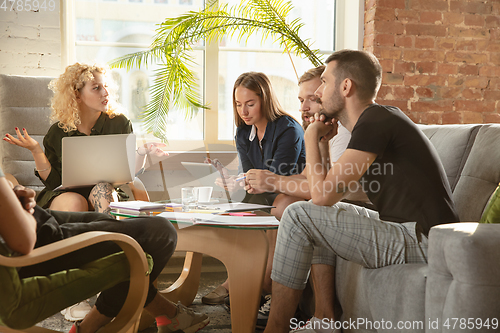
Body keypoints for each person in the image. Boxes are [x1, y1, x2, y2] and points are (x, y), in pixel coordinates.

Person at [263, 50, 460, 333]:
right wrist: (320, 143)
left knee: (297, 214)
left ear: (346, 87)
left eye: (324, 82)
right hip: (411, 233)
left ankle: (275, 329)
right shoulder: (378, 119)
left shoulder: (375, 122)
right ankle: (323, 321)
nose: (318, 92)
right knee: (314, 216)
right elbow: (329, 193)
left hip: (425, 241)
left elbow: (321, 195)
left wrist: (308, 135)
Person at [0, 164, 209, 333]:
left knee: (104, 219)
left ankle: (166, 313)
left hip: (37, 219)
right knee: (161, 233)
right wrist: (20, 209)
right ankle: (92, 326)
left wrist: (12, 196)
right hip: (36, 237)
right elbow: (23, 242)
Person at [3, 63, 166, 214]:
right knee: (76, 202)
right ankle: (78, 245)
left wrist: (142, 152)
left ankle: (108, 243)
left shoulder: (119, 123)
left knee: (103, 190)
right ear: (77, 96)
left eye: (105, 87)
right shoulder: (57, 132)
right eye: (96, 88)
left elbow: (130, 173)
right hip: (64, 196)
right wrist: (36, 150)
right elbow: (54, 183)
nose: (106, 93)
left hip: (105, 192)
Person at [202, 71, 306, 305]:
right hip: (261, 192)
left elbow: (277, 177)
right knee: (231, 205)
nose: (243, 112)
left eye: (250, 104)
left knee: (263, 206)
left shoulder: (288, 129)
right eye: (238, 105)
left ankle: (260, 282)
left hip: (288, 191)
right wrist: (233, 181)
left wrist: (244, 182)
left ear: (265, 100)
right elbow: (247, 172)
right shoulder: (242, 131)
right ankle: (239, 279)